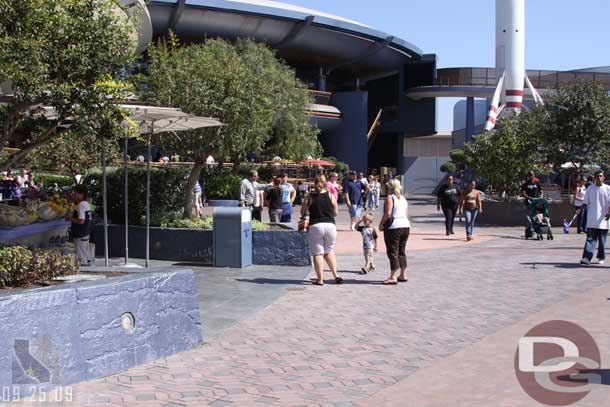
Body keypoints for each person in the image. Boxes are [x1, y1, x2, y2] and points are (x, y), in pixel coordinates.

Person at [301, 175, 342, 285]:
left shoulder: (309, 196)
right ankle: (336, 275)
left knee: (318, 253)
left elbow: (302, 211)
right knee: (329, 251)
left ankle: (320, 279)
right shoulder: (330, 195)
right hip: (330, 226)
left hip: (316, 226)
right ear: (325, 183)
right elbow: (335, 213)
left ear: (315, 183)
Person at [379, 179, 410, 285]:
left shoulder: (390, 197)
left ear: (390, 188)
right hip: (405, 225)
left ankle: (393, 276)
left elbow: (388, 214)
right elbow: (405, 214)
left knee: (392, 251)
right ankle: (403, 274)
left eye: (387, 187)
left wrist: (381, 224)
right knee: (401, 250)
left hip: (394, 227)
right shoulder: (403, 199)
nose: (386, 188)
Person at [579, 171, 610, 266]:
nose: (598, 178)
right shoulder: (590, 188)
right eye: (597, 176)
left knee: (602, 241)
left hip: (603, 219)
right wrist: (580, 209)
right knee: (590, 239)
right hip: (592, 218)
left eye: (600, 176)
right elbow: (585, 202)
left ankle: (601, 257)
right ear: (594, 178)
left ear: (603, 178)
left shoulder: (608, 189)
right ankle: (586, 258)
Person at [67, 185, 93, 266]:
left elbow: (81, 221)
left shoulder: (81, 205)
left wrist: (70, 218)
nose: (73, 195)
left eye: (75, 193)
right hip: (85, 233)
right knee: (85, 253)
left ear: (81, 194)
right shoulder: (86, 204)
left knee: (81, 256)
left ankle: (83, 269)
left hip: (80, 234)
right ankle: (87, 264)